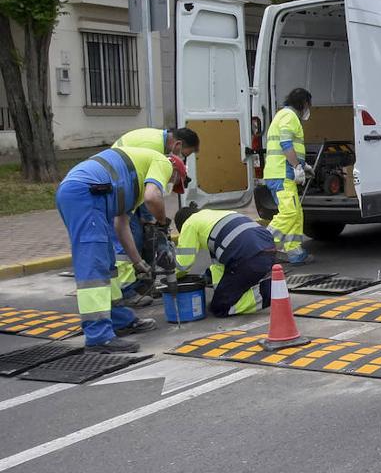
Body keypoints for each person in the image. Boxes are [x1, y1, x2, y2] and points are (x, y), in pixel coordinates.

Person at [55, 146, 188, 352]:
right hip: (87, 194)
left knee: (108, 264)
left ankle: (119, 321)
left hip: (92, 195)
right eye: (173, 183)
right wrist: (162, 224)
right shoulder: (164, 163)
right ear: (176, 171)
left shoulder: (132, 188)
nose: (169, 186)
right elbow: (153, 197)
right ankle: (99, 337)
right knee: (93, 269)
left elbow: (121, 225)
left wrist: (138, 262)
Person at [111, 127, 200, 307]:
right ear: (177, 144)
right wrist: (153, 219)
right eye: (184, 154)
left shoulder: (158, 143)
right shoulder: (153, 149)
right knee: (128, 238)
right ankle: (126, 291)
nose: (182, 158)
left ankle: (140, 284)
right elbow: (149, 194)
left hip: (123, 183)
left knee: (136, 235)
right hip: (119, 184)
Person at [173, 204, 276, 317]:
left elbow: (183, 264)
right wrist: (209, 277)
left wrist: (170, 277)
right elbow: (220, 264)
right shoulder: (214, 215)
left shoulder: (189, 223)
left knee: (219, 308)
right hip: (268, 249)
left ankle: (268, 294)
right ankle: (268, 286)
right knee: (232, 285)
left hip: (249, 258)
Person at [263, 88, 313, 265]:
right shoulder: (289, 116)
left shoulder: (283, 115)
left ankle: (294, 251)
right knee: (289, 212)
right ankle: (261, 245)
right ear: (304, 103)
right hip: (281, 173)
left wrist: (303, 165)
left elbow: (289, 146)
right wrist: (296, 166)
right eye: (309, 105)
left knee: (296, 213)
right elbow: (285, 143)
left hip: (282, 172)